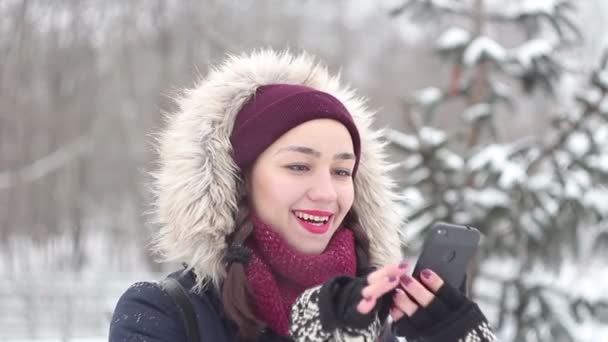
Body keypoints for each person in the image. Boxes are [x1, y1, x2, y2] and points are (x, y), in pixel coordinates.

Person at [109, 50, 497, 342]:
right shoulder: (160, 312)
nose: (327, 193)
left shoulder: (380, 318)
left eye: (342, 171)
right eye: (299, 166)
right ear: (239, 178)